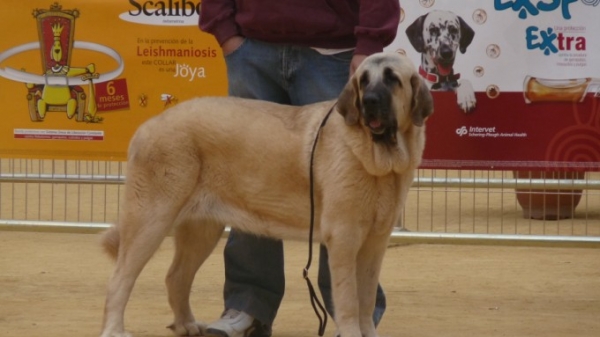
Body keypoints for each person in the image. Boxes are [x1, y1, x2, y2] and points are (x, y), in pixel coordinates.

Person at [199, 1, 400, 336]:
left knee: (346, 194)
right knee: (250, 183)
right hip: (251, 50)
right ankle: (248, 307)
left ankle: (353, 319)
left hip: (334, 53)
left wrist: (369, 44)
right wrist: (225, 32)